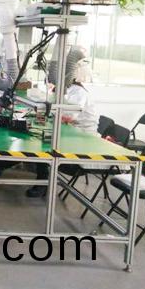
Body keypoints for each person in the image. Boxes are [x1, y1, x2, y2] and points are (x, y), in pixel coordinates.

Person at [26, 55, 97, 198]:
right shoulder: (66, 90)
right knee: (39, 138)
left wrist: (45, 114)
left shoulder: (79, 92)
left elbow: (68, 117)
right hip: (70, 133)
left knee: (44, 145)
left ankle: (42, 184)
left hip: (81, 139)